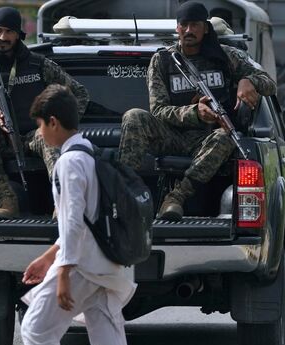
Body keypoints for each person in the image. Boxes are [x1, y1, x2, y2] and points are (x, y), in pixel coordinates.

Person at [20, 84, 136, 345]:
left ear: (53, 122)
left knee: (36, 330)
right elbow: (87, 218)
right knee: (109, 344)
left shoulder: (68, 162)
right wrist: (48, 257)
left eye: (40, 125)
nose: (40, 133)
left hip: (83, 265)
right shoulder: (91, 152)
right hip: (109, 263)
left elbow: (72, 221)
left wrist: (63, 274)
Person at [118, 2, 275, 221]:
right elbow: (159, 110)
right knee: (134, 116)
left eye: (195, 25)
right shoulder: (163, 60)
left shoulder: (226, 56)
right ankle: (124, 197)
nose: (189, 30)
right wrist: (194, 112)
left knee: (226, 135)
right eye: (184, 25)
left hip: (208, 139)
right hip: (171, 136)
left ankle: (176, 198)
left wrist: (249, 81)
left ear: (206, 28)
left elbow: (270, 83)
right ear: (177, 28)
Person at [0, 7, 89, 219]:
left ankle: (61, 199)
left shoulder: (38, 64)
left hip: (35, 135)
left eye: (9, 32)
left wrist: (63, 124)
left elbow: (80, 93)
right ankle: (7, 197)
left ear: (19, 34)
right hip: (1, 141)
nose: (2, 37)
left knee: (48, 135)